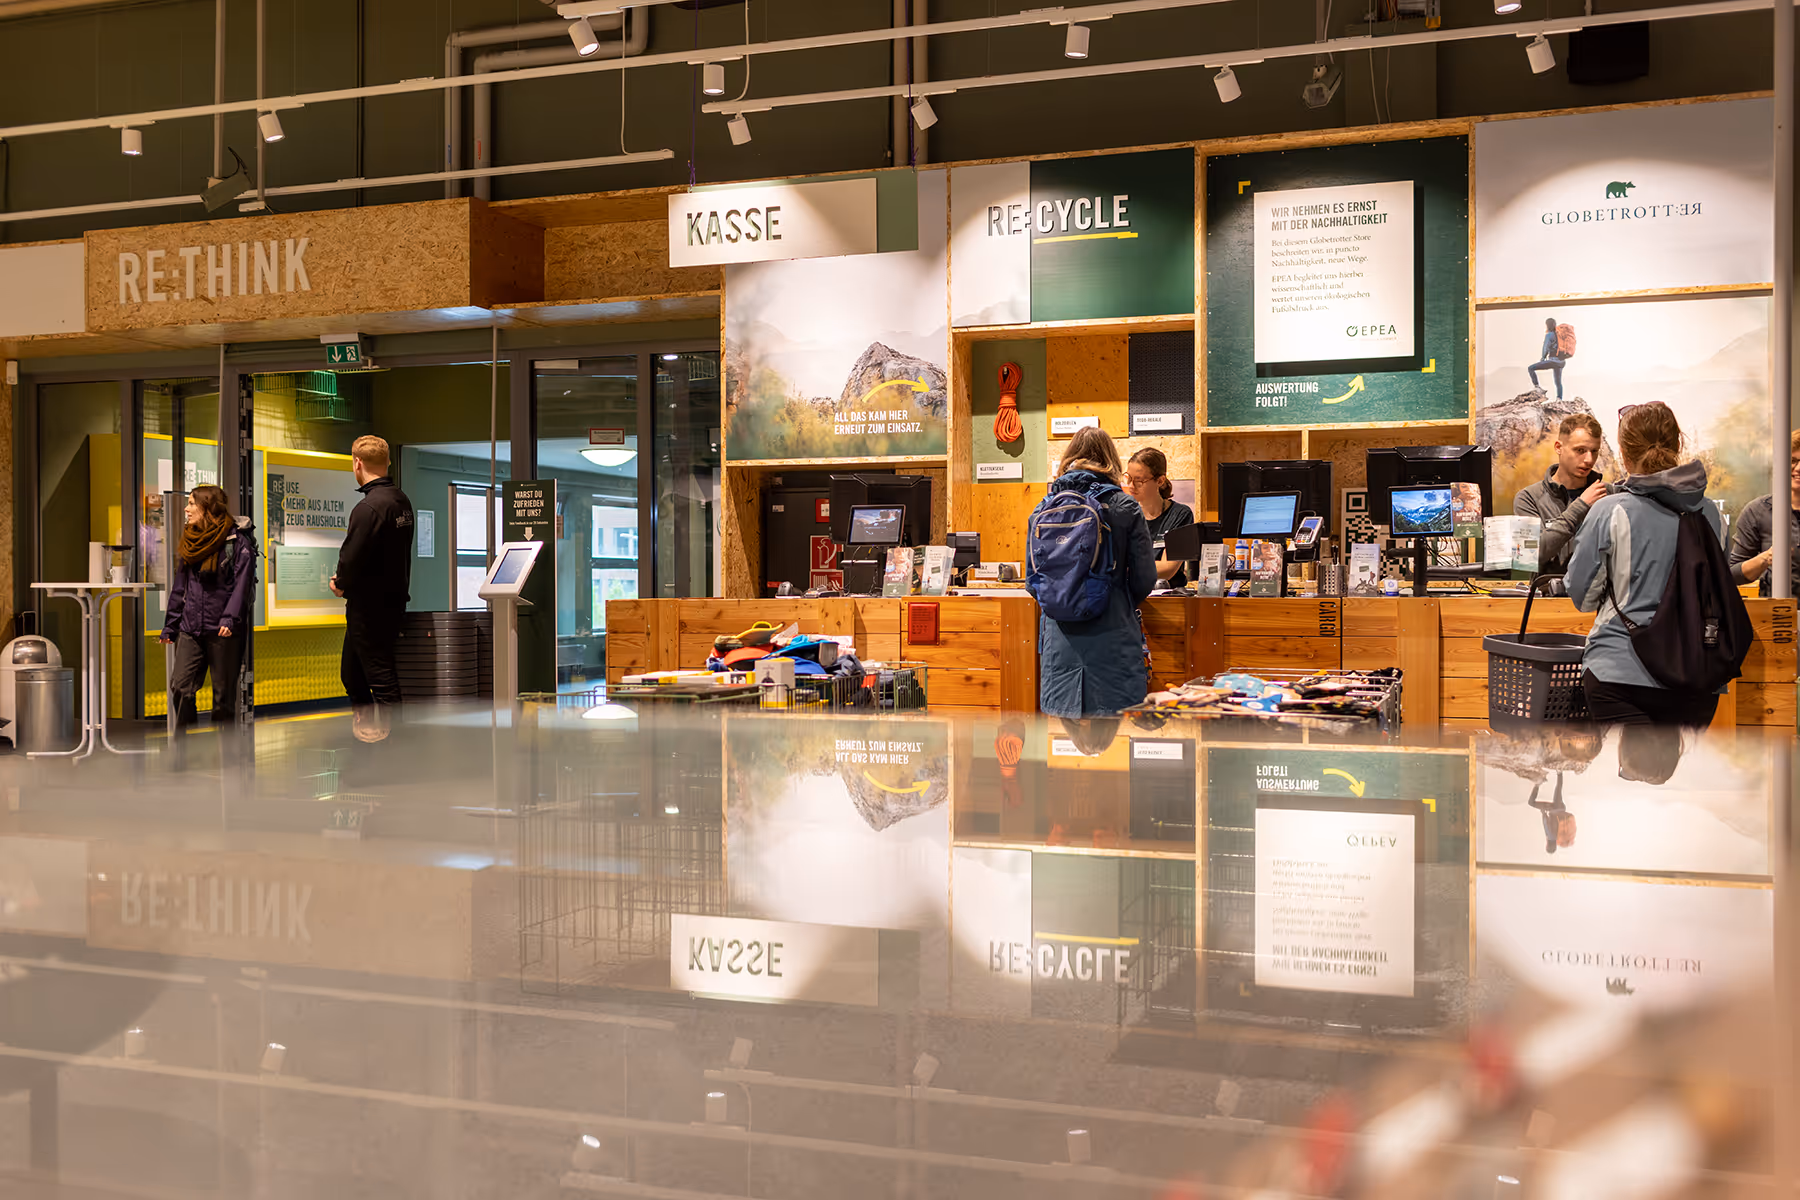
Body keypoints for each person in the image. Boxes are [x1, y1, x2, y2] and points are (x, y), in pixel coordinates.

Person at [1566, 402, 1724, 726]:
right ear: (1677, 446)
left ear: (1623, 452)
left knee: (1618, 775)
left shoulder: (1609, 511)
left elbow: (1581, 597)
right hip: (1698, 674)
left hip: (1619, 671)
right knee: (1689, 777)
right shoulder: (1711, 514)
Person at [1031, 427, 1156, 718]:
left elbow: (1031, 581)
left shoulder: (1043, 507)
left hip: (1059, 638)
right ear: (1111, 460)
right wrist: (1117, 600)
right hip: (1113, 635)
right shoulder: (1125, 506)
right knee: (1117, 741)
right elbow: (1144, 577)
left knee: (1063, 745)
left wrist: (1062, 597)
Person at [330, 436, 415, 727]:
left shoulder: (368, 508)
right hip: (391, 602)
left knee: (380, 678)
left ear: (357, 463)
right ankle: (367, 733)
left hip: (369, 608)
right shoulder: (400, 501)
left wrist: (340, 583)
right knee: (352, 675)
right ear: (388, 461)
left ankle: (394, 747)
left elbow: (351, 556)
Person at [162, 485, 258, 728]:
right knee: (180, 688)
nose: (187, 508)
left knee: (222, 698)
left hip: (223, 629)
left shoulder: (237, 542)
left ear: (207, 507)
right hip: (190, 628)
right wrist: (170, 626)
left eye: (192, 503)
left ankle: (226, 758)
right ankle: (186, 752)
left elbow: (242, 586)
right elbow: (179, 586)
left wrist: (229, 619)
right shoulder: (191, 541)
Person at [1514, 412, 1608, 573]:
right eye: (1580, 450)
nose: (1589, 460)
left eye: (1594, 451)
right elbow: (1529, 555)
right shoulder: (1529, 498)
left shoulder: (1607, 495)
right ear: (1559, 448)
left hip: (1594, 597)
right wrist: (1580, 507)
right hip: (1546, 596)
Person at [1728, 428, 1800, 598]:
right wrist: (1766, 558)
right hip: (1778, 618)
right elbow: (1732, 574)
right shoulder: (1757, 511)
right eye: (1792, 460)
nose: (1798, 468)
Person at [1123, 447, 1195, 588]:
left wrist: (1124, 569)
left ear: (1160, 481)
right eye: (1128, 478)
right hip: (1130, 598)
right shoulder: (1125, 514)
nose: (1131, 486)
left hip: (1167, 600)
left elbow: (1167, 569)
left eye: (1139, 480)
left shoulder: (1181, 514)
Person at [1527, 316, 1566, 400]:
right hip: (1561, 362)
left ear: (1547, 325)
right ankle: (1559, 398)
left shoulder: (1549, 335)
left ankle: (1537, 387)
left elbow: (1546, 348)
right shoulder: (1560, 335)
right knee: (1558, 382)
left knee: (1531, 368)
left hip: (1553, 361)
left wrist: (1543, 358)